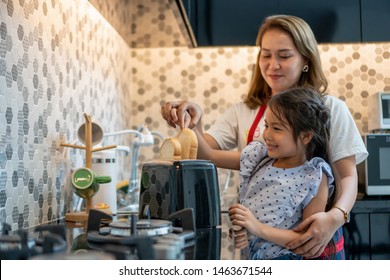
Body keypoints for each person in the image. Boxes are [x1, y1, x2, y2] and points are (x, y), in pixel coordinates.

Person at [160, 15, 368, 259]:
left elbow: (347, 176)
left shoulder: (331, 109)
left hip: (315, 243)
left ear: (305, 60)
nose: (273, 64)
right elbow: (203, 152)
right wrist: (192, 118)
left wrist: (335, 217)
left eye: (284, 55)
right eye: (266, 54)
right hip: (257, 247)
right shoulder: (244, 111)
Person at [228, 87, 334, 260]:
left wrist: (257, 228)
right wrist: (244, 233)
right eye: (266, 126)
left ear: (306, 136)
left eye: (277, 128)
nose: (267, 135)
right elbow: (209, 156)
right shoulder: (261, 161)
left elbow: (306, 240)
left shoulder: (314, 175)